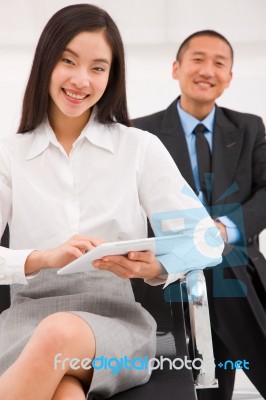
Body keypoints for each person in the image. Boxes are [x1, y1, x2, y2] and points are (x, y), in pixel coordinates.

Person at [0, 8, 223, 400]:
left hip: (116, 322)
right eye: (68, 61)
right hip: (26, 319)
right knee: (65, 391)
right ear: (45, 61)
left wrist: (157, 266)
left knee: (58, 334)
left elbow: (207, 239)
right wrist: (42, 259)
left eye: (98, 68)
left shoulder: (138, 148)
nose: (81, 79)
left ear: (112, 76)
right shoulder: (9, 154)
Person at [133, 30, 266, 400]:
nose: (208, 70)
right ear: (176, 68)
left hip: (235, 268)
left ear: (230, 77)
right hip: (170, 272)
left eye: (219, 63)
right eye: (197, 59)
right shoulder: (140, 132)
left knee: (218, 264)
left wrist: (222, 231)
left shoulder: (249, 127)